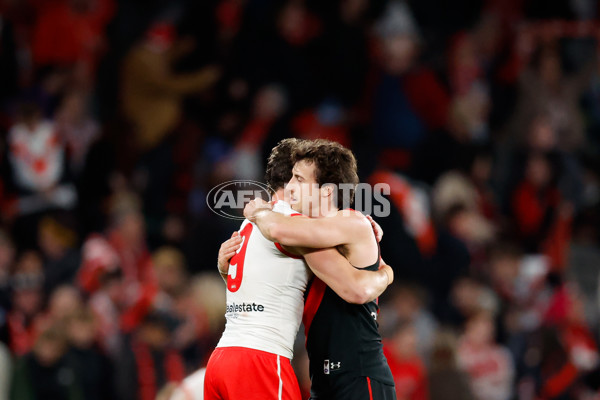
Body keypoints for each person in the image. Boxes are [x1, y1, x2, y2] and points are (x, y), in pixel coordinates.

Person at [204, 138, 393, 400]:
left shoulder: (345, 221)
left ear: (326, 191)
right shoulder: (304, 232)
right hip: (316, 376)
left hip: (357, 373)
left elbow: (358, 289)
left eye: (300, 180)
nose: (292, 187)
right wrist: (385, 271)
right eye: (292, 178)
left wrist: (259, 212)